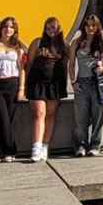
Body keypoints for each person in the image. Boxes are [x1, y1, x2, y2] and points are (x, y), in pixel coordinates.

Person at [0, 17, 27, 163]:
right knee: (2, 118)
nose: (8, 29)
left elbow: (22, 70)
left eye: (11, 27)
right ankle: (10, 150)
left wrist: (21, 89)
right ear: (1, 28)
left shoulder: (18, 49)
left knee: (5, 121)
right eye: (6, 26)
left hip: (13, 85)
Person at [25, 17, 68, 162]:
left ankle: (45, 146)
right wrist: (24, 84)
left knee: (50, 114)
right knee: (39, 113)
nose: (51, 32)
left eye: (54, 29)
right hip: (37, 83)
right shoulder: (37, 43)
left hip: (54, 84)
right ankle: (36, 147)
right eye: (48, 29)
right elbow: (29, 63)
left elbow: (67, 65)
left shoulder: (64, 45)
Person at [69, 14, 103, 157]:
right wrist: (73, 82)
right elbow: (72, 63)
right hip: (82, 82)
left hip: (97, 83)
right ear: (84, 26)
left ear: (98, 26)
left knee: (98, 116)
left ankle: (95, 145)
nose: (90, 28)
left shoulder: (102, 43)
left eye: (93, 25)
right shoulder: (77, 43)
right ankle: (80, 145)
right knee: (81, 117)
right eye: (88, 25)